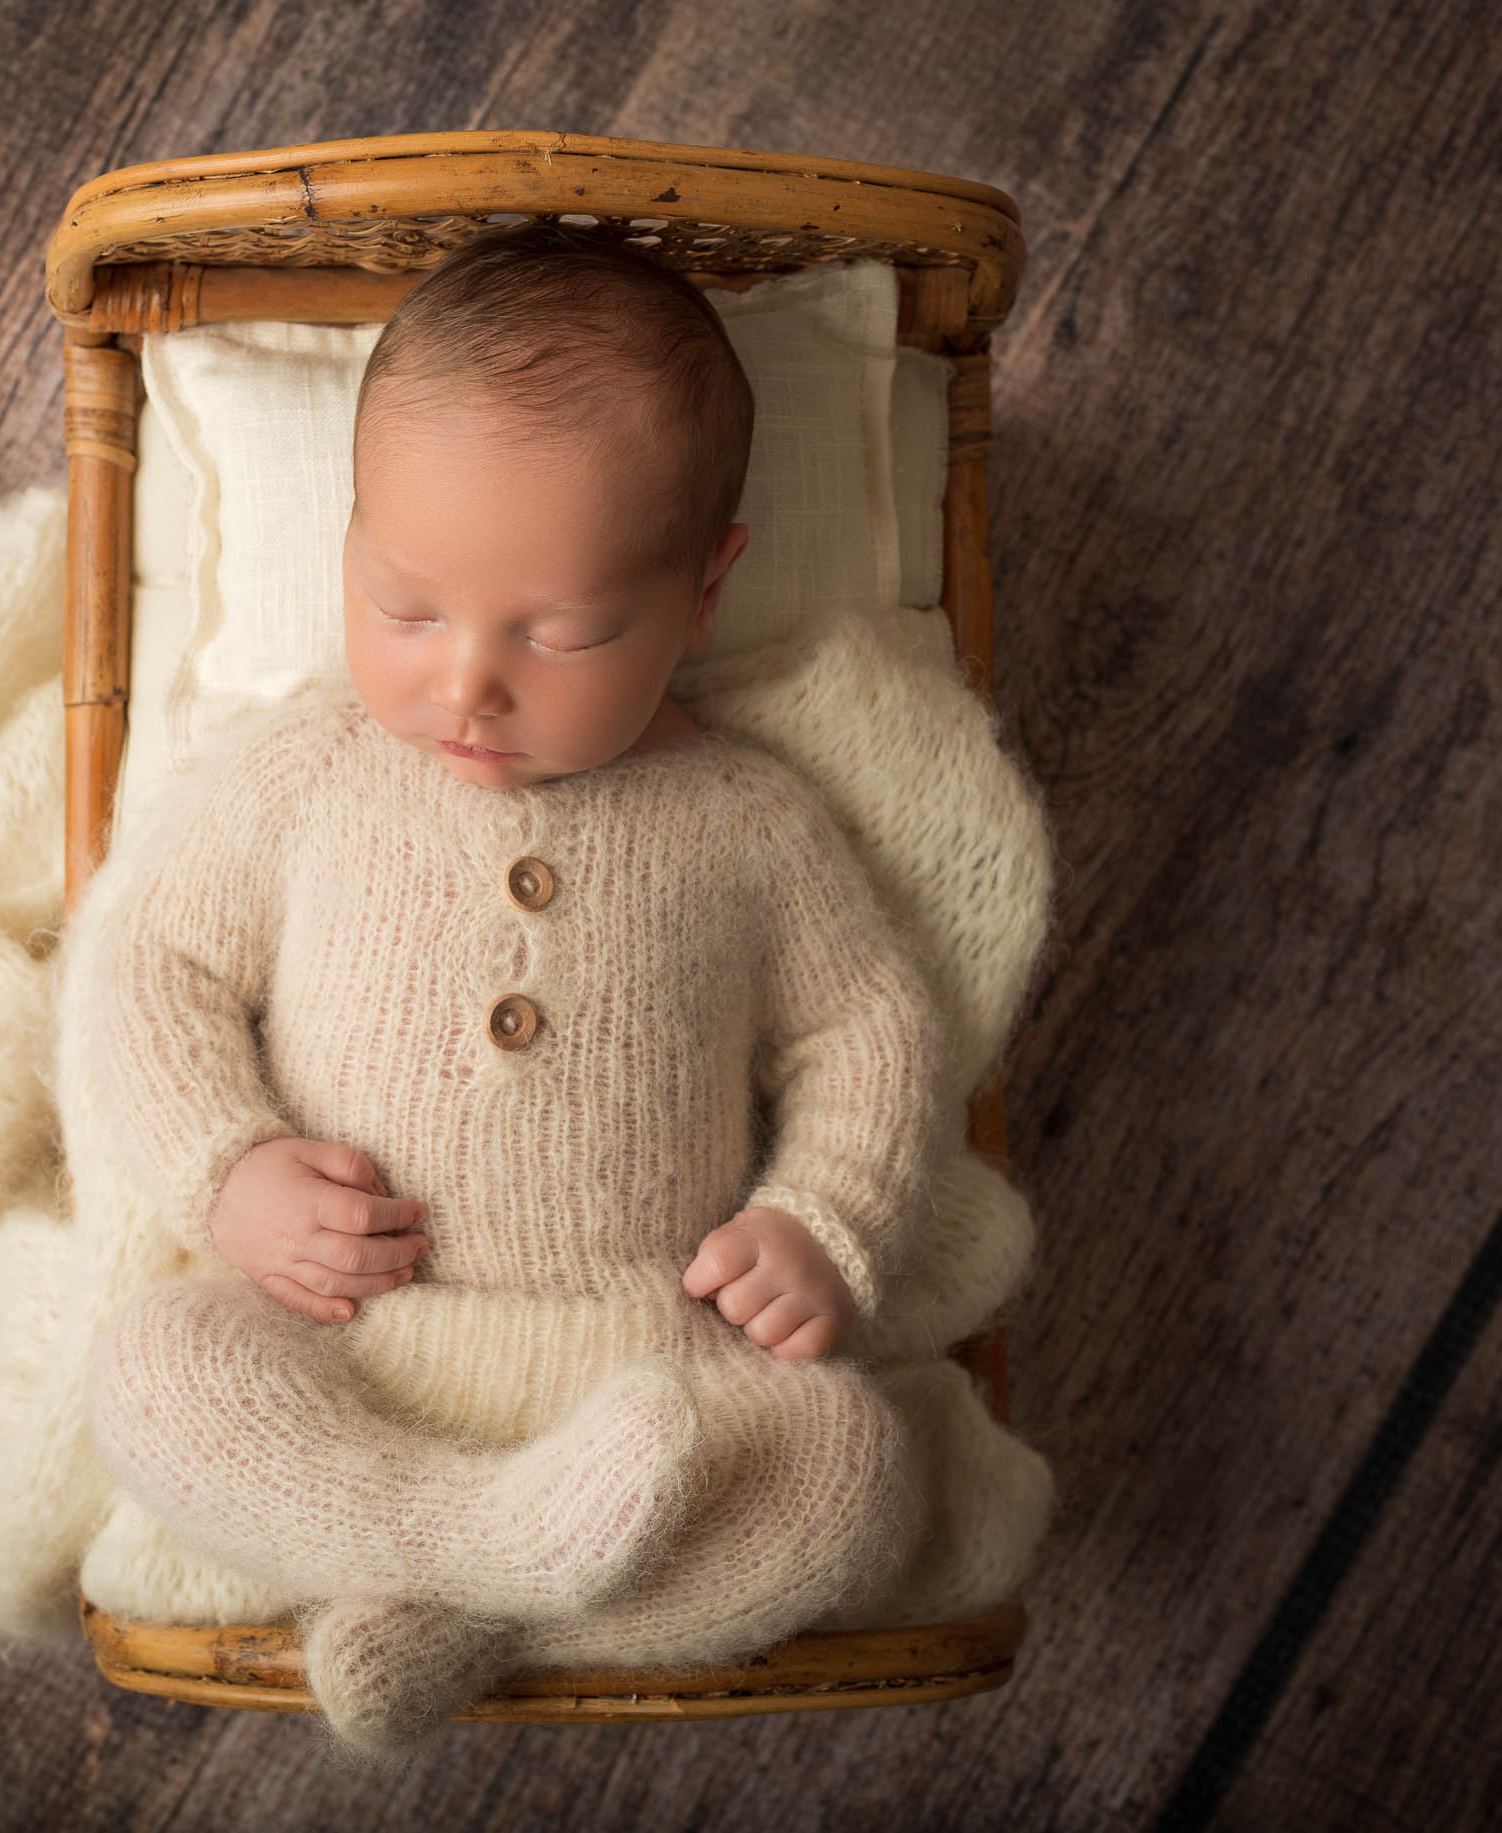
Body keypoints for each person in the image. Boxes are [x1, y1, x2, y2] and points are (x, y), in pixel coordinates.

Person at [66, 220, 946, 1758]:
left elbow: (868, 1024)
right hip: (351, 1341)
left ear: (701, 593)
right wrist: (231, 1171)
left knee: (855, 1475)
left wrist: (826, 1217)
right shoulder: (305, 765)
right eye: (408, 606)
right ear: (347, 544)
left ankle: (444, 1601)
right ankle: (481, 1549)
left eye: (559, 630)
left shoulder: (751, 820)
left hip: (652, 1381)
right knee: (154, 1372)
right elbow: (149, 965)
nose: (468, 678)